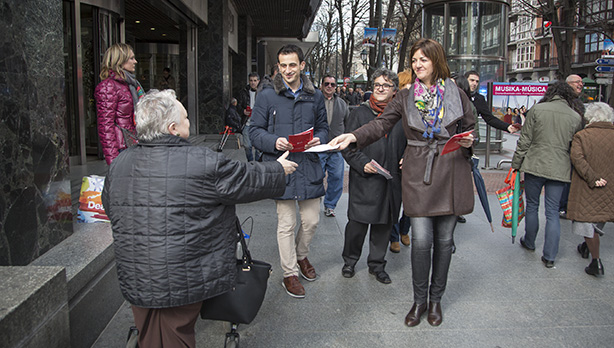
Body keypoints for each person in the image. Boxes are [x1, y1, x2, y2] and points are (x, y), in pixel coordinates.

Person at [101, 89, 297, 348]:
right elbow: (246, 179)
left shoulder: (120, 163)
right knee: (174, 336)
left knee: (149, 331)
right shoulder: (200, 161)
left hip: (137, 273)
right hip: (182, 273)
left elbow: (109, 205)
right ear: (172, 128)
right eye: (185, 118)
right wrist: (278, 170)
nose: (189, 122)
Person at [329, 38, 475, 327]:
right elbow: (381, 124)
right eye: (414, 60)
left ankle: (436, 301)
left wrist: (469, 141)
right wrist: (354, 136)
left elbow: (470, 126)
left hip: (451, 170)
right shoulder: (406, 96)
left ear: (437, 60)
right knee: (421, 241)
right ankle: (419, 301)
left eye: (424, 59)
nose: (418, 65)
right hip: (418, 172)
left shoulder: (457, 93)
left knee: (444, 242)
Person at [249, 44, 329, 298]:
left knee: (311, 221)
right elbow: (253, 131)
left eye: (292, 65)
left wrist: (319, 138)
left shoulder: (315, 95)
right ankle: (289, 273)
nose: (287, 70)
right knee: (286, 223)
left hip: (308, 165)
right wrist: (274, 141)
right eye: (282, 65)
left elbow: (324, 128)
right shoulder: (266, 95)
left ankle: (301, 255)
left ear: (302, 65)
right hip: (281, 166)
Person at [341, 68, 405, 283]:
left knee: (384, 226)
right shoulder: (359, 113)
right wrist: (362, 163)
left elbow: (412, 144)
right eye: (377, 84)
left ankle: (377, 265)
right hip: (365, 179)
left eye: (385, 85)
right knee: (356, 226)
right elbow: (348, 147)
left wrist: (408, 157)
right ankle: (350, 261)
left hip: (391, 181)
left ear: (394, 90)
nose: (380, 89)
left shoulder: (401, 116)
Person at [512, 82, 583, 268]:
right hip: (560, 168)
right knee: (552, 212)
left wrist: (516, 164)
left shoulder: (537, 110)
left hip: (535, 164)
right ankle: (550, 256)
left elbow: (525, 140)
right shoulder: (575, 117)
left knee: (532, 205)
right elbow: (575, 148)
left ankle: (529, 241)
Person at [458, 70, 520, 224]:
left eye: (477, 81)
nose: (474, 84)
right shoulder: (455, 96)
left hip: (468, 144)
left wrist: (508, 127)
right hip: (454, 143)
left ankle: (457, 209)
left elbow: (489, 118)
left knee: (462, 178)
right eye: (472, 80)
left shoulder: (478, 99)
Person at [567, 102, 614, 276]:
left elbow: (577, 160)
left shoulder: (582, 136)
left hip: (588, 186)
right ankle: (586, 247)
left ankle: (596, 262)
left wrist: (594, 179)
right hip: (610, 187)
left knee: (586, 222)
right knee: (600, 217)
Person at [94, 43, 143, 165]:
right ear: (120, 61)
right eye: (131, 58)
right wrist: (113, 161)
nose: (135, 61)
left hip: (132, 143)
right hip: (121, 147)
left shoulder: (130, 84)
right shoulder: (108, 86)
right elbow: (106, 126)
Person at [389, 69, 413, 254]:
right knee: (394, 201)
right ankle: (394, 235)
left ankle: (405, 229)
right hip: (394, 162)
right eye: (405, 85)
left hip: (413, 162)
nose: (409, 89)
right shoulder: (395, 109)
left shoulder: (421, 109)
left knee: (411, 201)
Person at [319, 74, 349, 217]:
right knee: (316, 176)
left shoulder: (342, 103)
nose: (329, 87)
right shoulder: (315, 101)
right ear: (321, 86)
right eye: (326, 84)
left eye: (332, 84)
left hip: (336, 148)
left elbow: (348, 122)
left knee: (337, 177)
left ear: (336, 87)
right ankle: (313, 202)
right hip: (318, 146)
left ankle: (330, 205)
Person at [559, 74, 587, 219]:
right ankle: (562, 206)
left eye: (581, 82)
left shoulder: (578, 103)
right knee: (566, 177)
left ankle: (565, 205)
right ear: (568, 84)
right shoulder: (565, 103)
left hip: (574, 144)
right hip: (566, 145)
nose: (580, 84)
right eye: (577, 82)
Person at [238, 72, 260, 161]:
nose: (253, 83)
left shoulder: (262, 92)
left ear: (258, 81)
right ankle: (250, 163)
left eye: (255, 80)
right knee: (247, 146)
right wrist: (243, 111)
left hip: (259, 124)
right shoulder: (244, 92)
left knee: (259, 147)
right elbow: (238, 105)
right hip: (246, 123)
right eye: (251, 80)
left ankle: (258, 164)